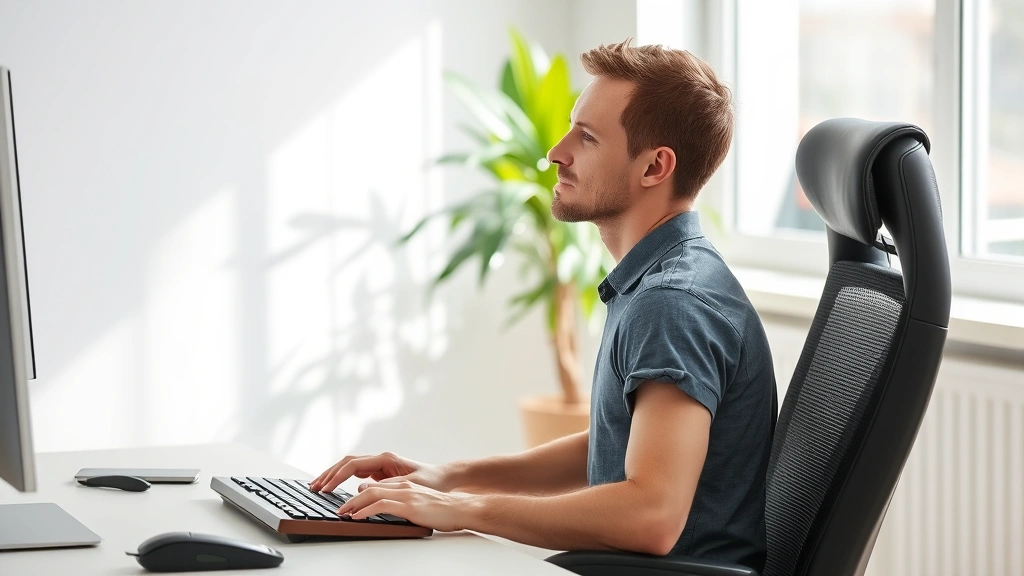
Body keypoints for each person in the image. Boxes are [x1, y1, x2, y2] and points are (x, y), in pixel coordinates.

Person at [311, 40, 777, 572]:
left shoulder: (673, 303)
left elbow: (651, 514)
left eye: (587, 137)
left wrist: (463, 508)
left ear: (654, 167)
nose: (556, 151)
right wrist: (449, 477)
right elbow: (614, 442)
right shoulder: (665, 278)